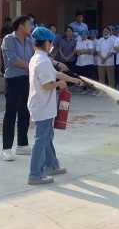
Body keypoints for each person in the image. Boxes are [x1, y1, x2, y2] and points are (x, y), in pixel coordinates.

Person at [27, 27, 81, 185]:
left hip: (43, 105)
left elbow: (55, 73)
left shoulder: (39, 57)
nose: (52, 45)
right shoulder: (42, 61)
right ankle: (35, 174)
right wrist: (60, 84)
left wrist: (74, 80)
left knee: (47, 136)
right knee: (41, 139)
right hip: (42, 106)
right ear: (45, 42)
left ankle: (51, 165)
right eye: (51, 42)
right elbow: (47, 85)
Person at [0, 16, 35, 162]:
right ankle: (6, 149)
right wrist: (33, 66)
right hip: (13, 80)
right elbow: (13, 60)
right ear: (21, 26)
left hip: (27, 79)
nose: (32, 27)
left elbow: (36, 56)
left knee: (25, 112)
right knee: (11, 113)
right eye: (29, 24)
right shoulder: (9, 39)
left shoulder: (29, 41)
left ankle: (22, 144)